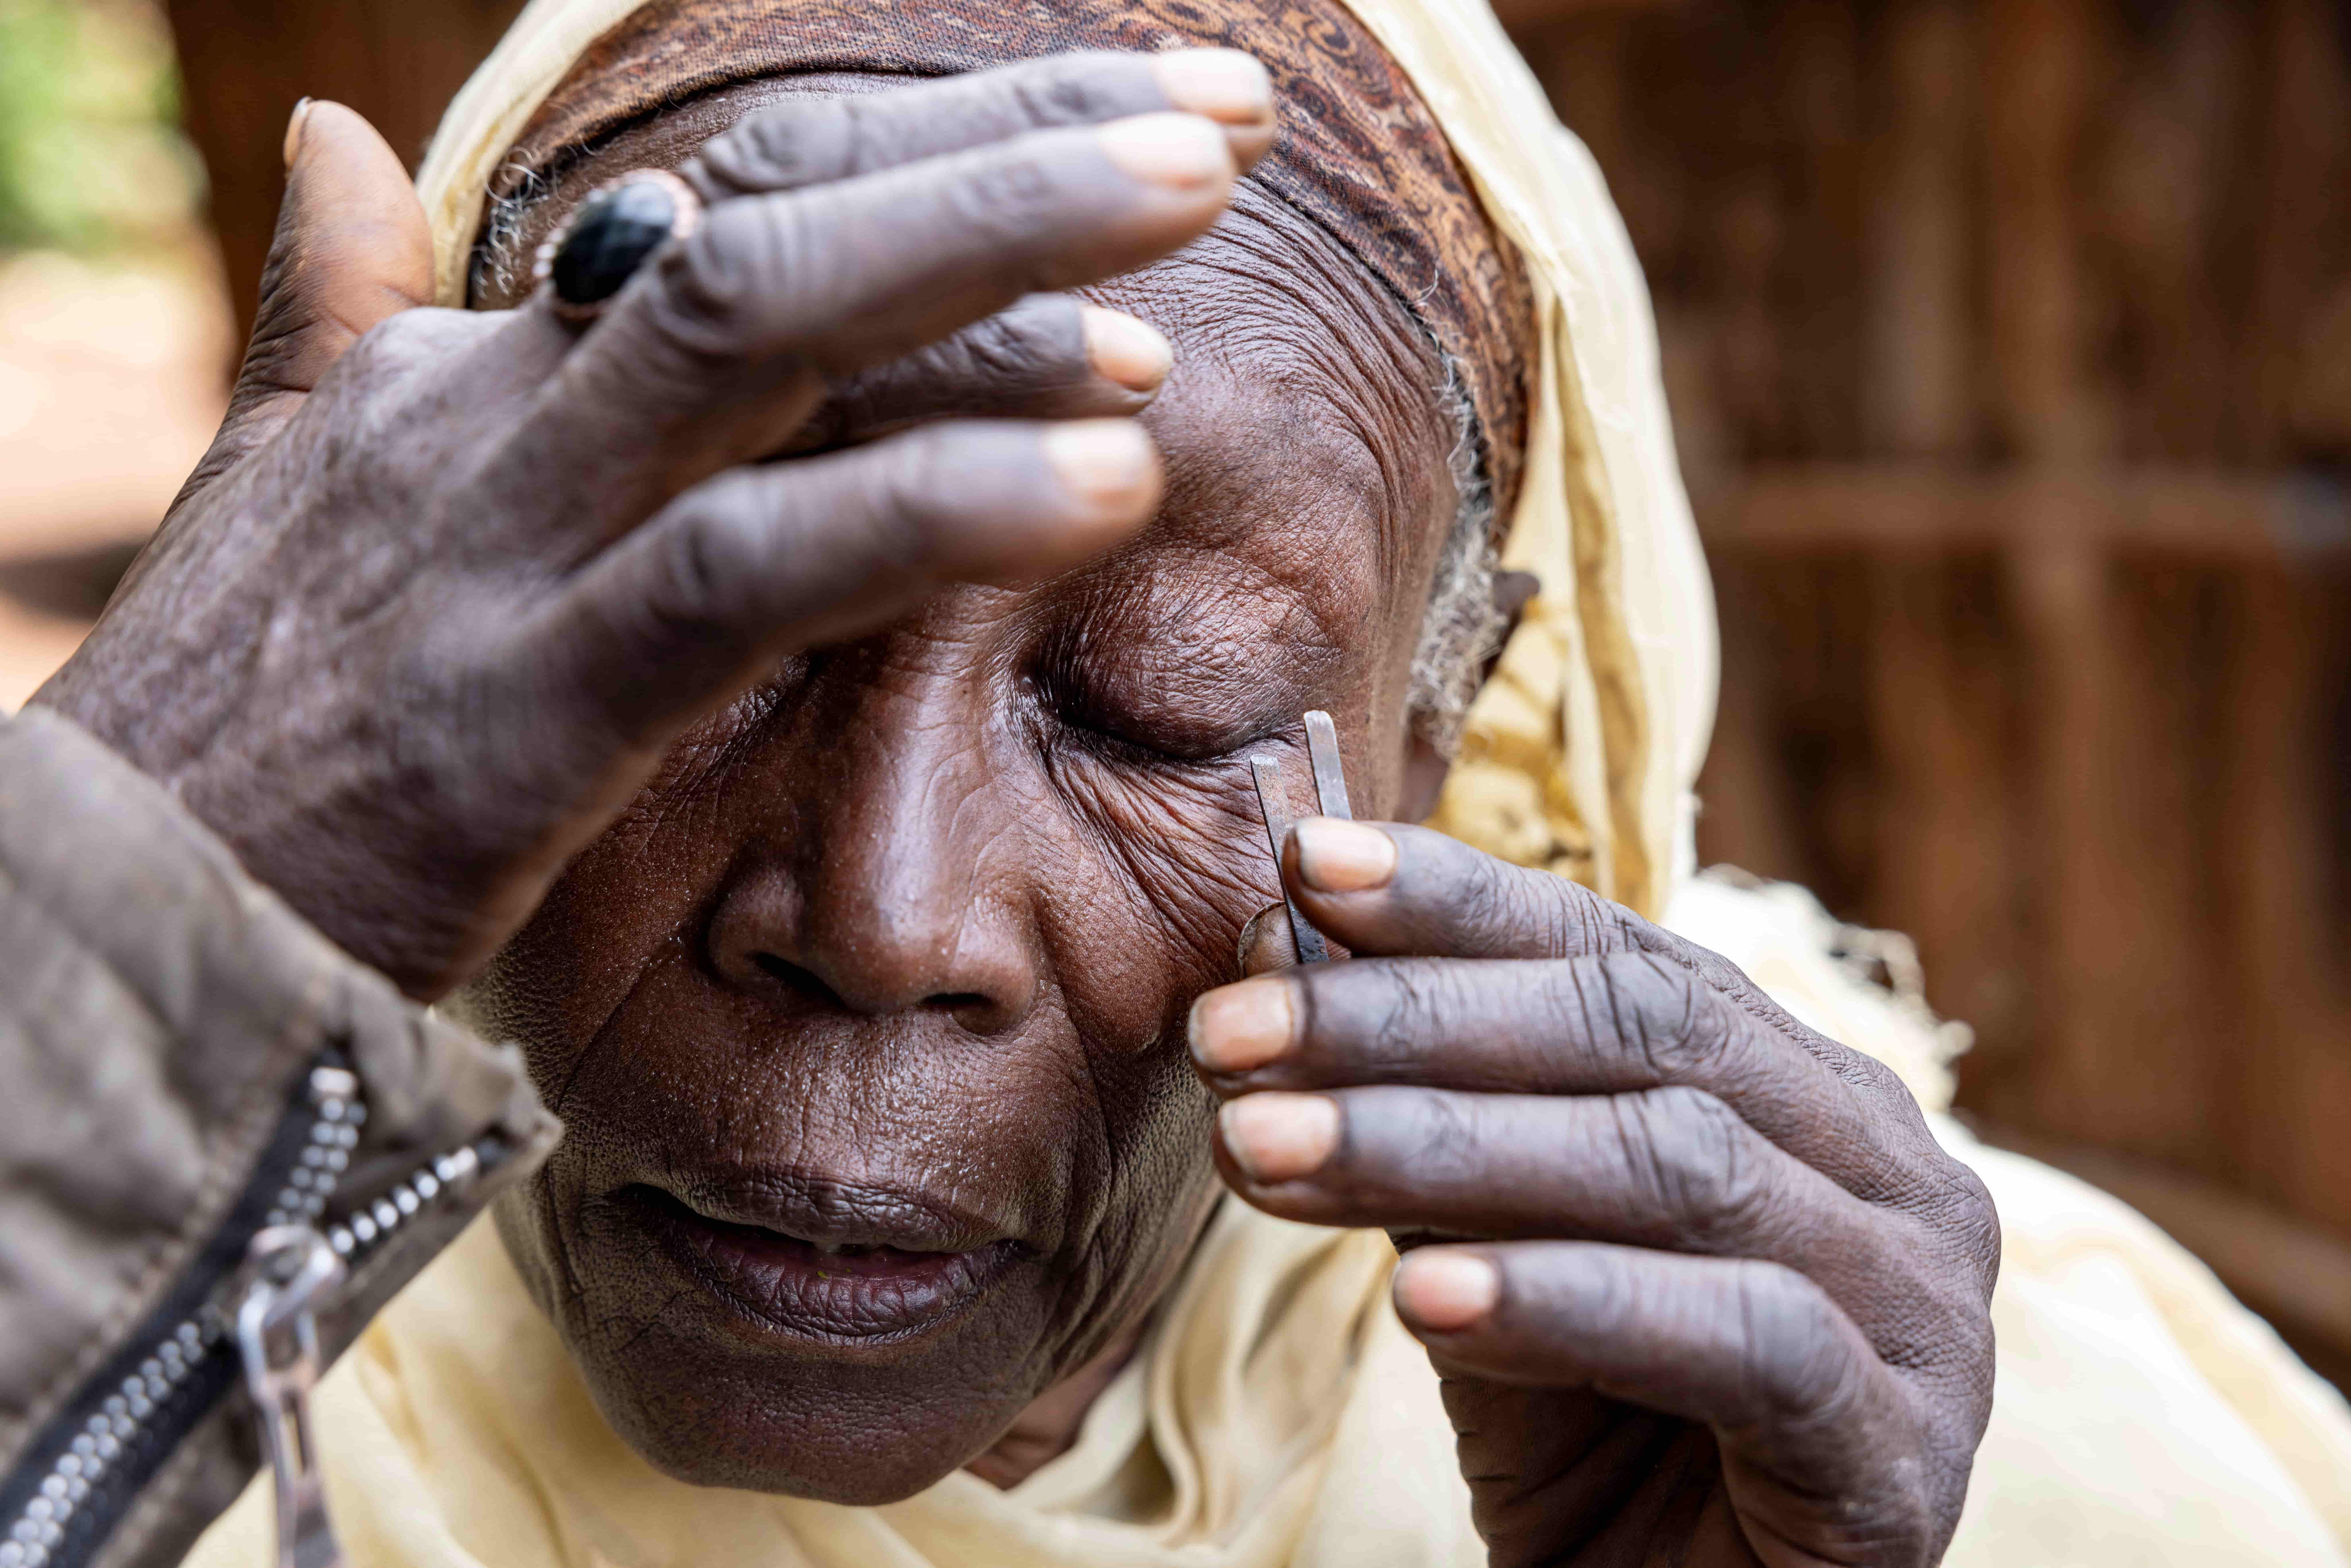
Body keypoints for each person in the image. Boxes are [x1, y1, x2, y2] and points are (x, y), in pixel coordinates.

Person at [2, 1, 2348, 1565]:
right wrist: (81, 976)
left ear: (1452, 756)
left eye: (1158, 707)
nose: (886, 916)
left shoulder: (2012, 1466)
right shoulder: (105, 1283)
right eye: (706, 631)